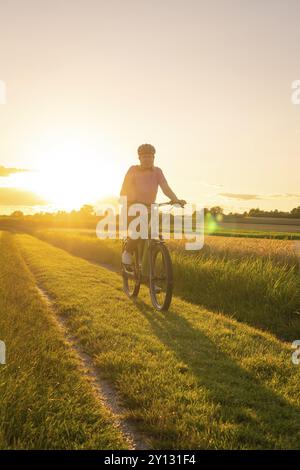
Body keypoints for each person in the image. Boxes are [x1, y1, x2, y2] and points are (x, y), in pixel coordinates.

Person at [120, 143, 186, 265]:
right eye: (144, 156)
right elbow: (125, 187)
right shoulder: (133, 169)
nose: (147, 159)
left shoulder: (157, 171)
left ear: (154, 158)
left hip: (150, 208)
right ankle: (128, 252)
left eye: (150, 156)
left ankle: (146, 264)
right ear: (139, 158)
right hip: (132, 207)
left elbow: (165, 188)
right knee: (140, 230)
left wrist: (175, 199)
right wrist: (128, 201)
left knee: (152, 234)